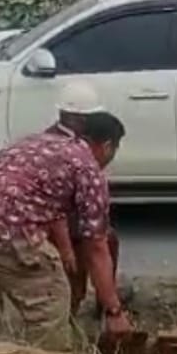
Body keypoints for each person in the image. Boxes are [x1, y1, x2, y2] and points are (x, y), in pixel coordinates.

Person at [0, 111, 132, 347]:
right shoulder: (88, 168)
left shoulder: (40, 143)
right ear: (107, 145)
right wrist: (114, 311)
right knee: (50, 300)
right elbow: (97, 248)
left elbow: (49, 206)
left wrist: (66, 250)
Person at [47, 80, 122, 315]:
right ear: (79, 119)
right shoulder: (72, 148)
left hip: (59, 218)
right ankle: (87, 309)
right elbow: (55, 208)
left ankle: (104, 299)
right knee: (94, 248)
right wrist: (67, 247)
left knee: (108, 240)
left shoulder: (52, 136)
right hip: (54, 224)